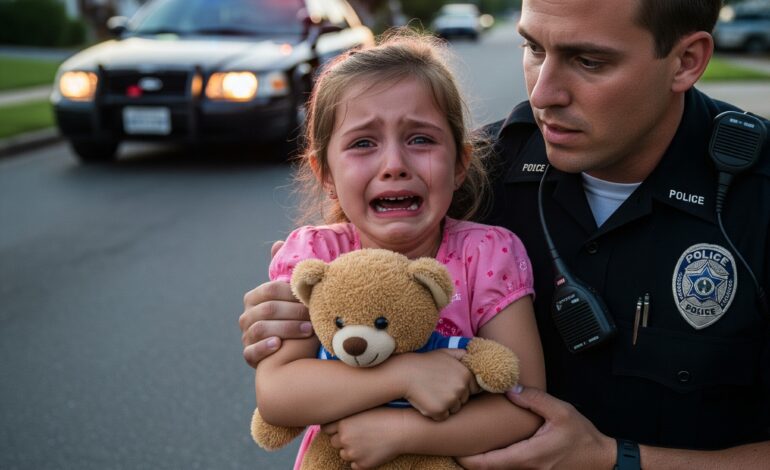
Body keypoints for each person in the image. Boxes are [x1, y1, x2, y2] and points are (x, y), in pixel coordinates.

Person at [241, 0, 770, 468]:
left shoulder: (756, 199)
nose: (543, 94)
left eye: (589, 61)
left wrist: (620, 461)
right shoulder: (472, 175)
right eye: (533, 48)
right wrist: (285, 316)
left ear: (687, 60)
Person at [252, 31, 546, 469]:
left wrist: (404, 434)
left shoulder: (487, 254)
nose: (394, 165)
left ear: (460, 163)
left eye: (421, 140)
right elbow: (278, 396)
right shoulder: (315, 256)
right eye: (363, 143)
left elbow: (526, 404)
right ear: (326, 172)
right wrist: (404, 376)